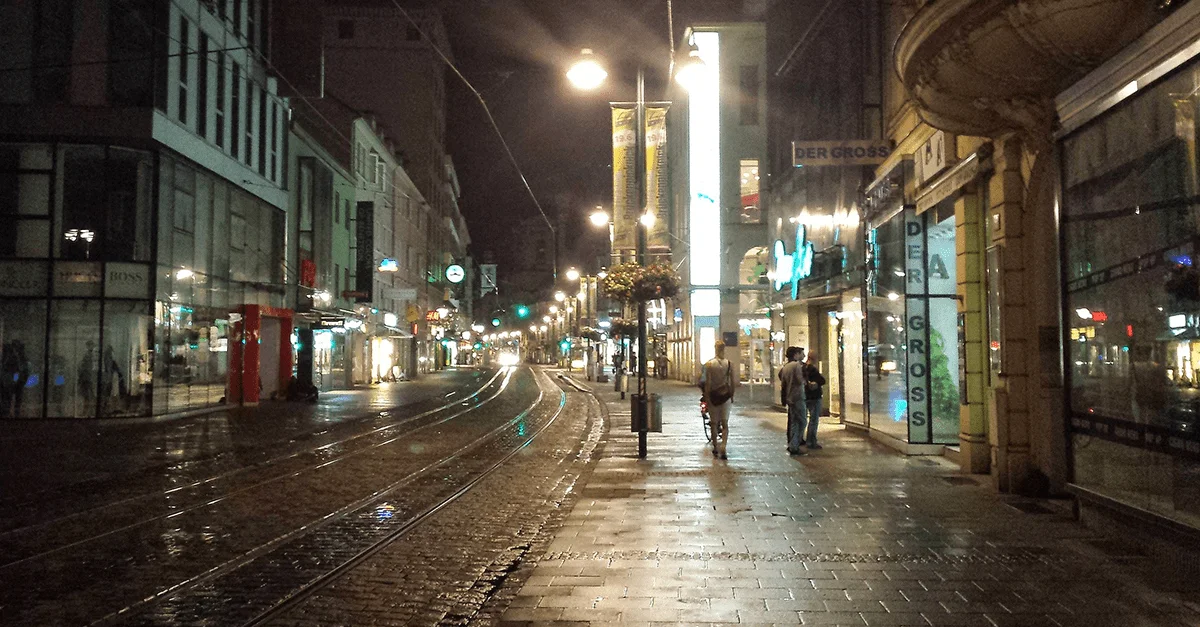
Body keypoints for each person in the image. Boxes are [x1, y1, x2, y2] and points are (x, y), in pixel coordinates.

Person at [702, 341, 736, 459]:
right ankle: (724, 446)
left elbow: (708, 383)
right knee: (725, 424)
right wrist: (731, 396)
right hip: (725, 396)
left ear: (715, 349)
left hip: (713, 397)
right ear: (724, 349)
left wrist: (707, 397)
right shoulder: (730, 364)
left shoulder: (709, 364)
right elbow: (732, 382)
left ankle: (715, 446)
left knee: (714, 423)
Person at [777, 346, 807, 455]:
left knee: (794, 421)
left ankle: (792, 444)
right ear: (796, 355)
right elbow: (799, 380)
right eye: (800, 354)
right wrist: (805, 382)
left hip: (789, 397)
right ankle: (795, 445)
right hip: (798, 396)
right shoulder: (796, 365)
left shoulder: (786, 367)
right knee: (803, 421)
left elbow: (782, 379)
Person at [802, 352, 827, 449]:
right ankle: (811, 441)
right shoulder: (812, 369)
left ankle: (805, 440)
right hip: (814, 397)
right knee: (814, 420)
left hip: (806, 396)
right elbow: (822, 380)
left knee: (805, 419)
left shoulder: (803, 368)